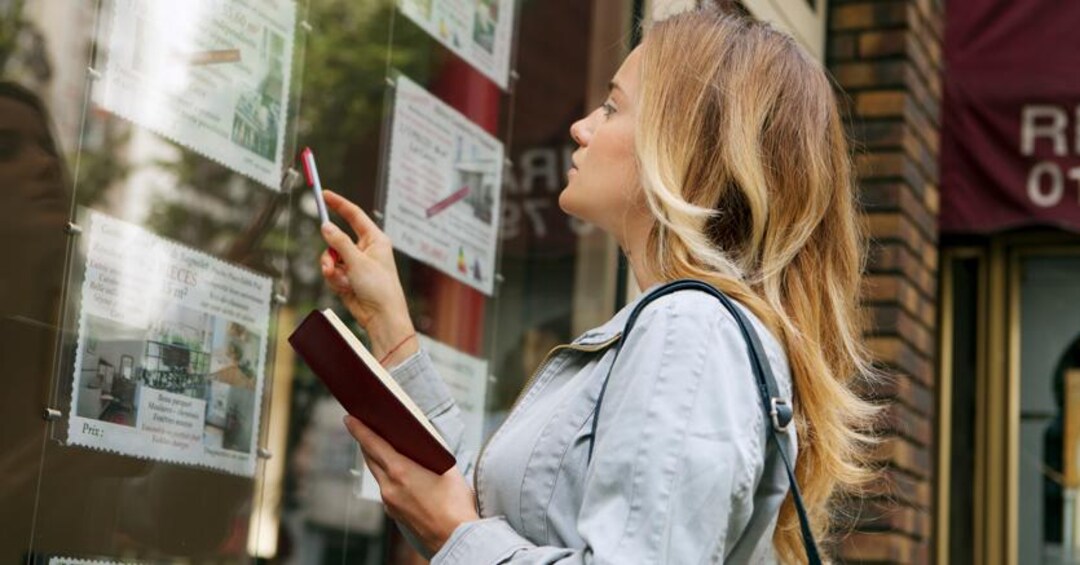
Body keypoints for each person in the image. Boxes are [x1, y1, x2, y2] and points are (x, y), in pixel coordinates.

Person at [318, 6, 876, 563]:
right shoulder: (678, 328)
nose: (581, 126)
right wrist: (389, 323)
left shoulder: (690, 329)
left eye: (612, 107)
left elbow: (468, 529)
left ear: (683, 147)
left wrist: (452, 534)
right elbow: (479, 519)